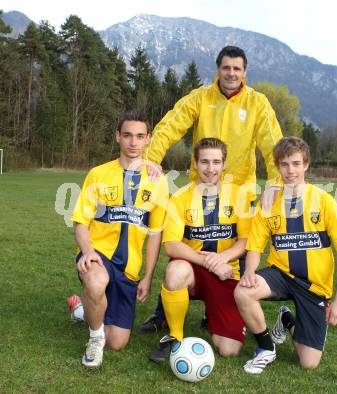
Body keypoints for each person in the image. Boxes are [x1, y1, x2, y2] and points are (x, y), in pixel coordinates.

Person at [140, 45, 283, 332]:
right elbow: (169, 126)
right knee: (187, 247)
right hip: (200, 189)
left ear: (245, 72)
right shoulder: (201, 97)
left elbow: (272, 145)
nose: (231, 73)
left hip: (239, 192)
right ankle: (164, 313)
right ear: (218, 70)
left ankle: (221, 309)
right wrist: (151, 161)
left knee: (236, 251)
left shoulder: (258, 103)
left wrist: (276, 183)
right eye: (226, 67)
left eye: (237, 68)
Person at [234, 136, 337, 374]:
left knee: (309, 362)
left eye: (296, 164)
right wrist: (248, 272)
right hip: (282, 274)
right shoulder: (268, 203)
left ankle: (287, 321)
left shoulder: (324, 201)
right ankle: (266, 348)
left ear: (306, 165)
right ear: (278, 167)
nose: (291, 170)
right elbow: (255, 247)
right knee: (243, 292)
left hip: (314, 286)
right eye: (285, 164)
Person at [71, 110, 168, 368]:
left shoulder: (156, 180)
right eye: (127, 135)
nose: (133, 142)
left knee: (117, 343)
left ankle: (83, 309)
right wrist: (88, 251)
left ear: (148, 139)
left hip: (129, 269)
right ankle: (94, 337)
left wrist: (147, 276)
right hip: (99, 253)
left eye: (139, 136)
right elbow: (80, 222)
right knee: (96, 281)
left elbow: (155, 234)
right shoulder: (98, 174)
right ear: (117, 137)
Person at [149, 138, 253, 362]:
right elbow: (171, 245)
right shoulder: (180, 198)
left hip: (227, 273)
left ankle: (216, 316)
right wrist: (207, 262)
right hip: (193, 271)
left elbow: (245, 242)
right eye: (204, 161)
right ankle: (174, 335)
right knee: (175, 271)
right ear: (195, 163)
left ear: (224, 164)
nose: (210, 168)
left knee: (229, 350)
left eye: (216, 162)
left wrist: (221, 258)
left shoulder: (239, 196)